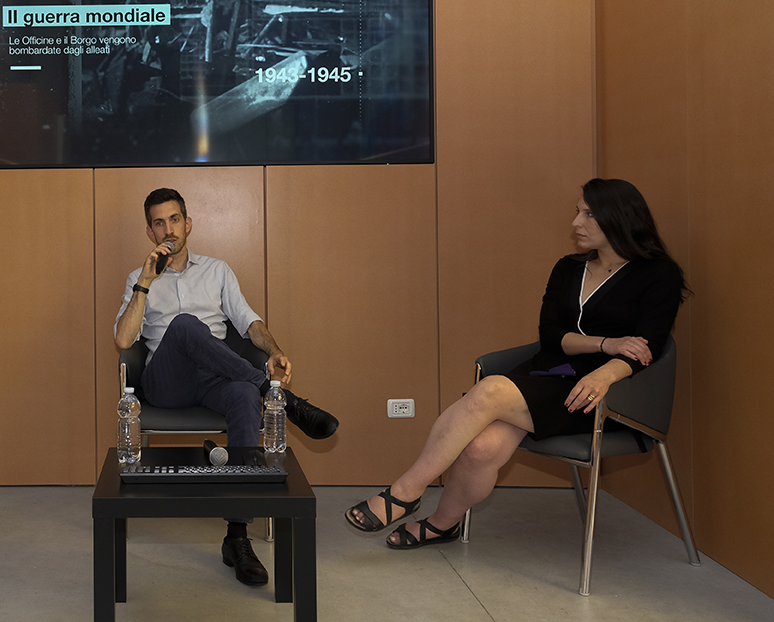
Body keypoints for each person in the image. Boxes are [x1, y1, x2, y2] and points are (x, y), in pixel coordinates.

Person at [345, 178, 687, 549]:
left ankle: (405, 491)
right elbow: (552, 335)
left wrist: (606, 371)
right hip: (548, 371)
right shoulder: (569, 268)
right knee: (480, 448)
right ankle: (443, 525)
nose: (576, 223)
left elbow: (646, 348)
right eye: (578, 212)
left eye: (588, 214)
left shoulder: (659, 274)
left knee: (489, 390)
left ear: (618, 218)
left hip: (603, 394)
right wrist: (607, 343)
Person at [114, 187, 339, 585]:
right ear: (150, 232)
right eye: (158, 222)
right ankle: (283, 400)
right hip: (167, 384)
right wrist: (145, 283)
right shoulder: (138, 277)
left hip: (215, 377)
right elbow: (123, 341)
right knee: (185, 325)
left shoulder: (218, 270)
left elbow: (248, 321)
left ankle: (237, 538)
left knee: (241, 395)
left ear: (188, 223)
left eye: (174, 219)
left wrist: (276, 351)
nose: (168, 229)